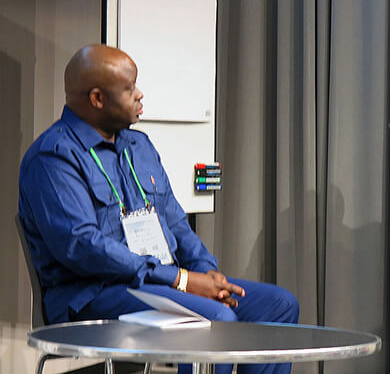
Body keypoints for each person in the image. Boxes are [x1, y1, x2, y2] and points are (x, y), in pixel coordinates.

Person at [18, 44, 299, 374]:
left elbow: (175, 222)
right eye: (129, 88)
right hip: (92, 294)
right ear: (97, 99)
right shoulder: (53, 158)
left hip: (158, 285)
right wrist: (181, 280)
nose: (140, 95)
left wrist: (207, 272)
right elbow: (84, 248)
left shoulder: (139, 145)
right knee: (217, 319)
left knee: (279, 306)